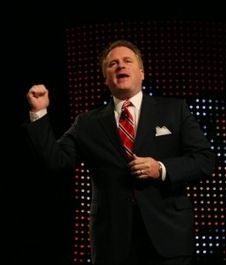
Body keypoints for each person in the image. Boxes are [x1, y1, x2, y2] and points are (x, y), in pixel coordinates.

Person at [24, 40, 215, 265]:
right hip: (111, 240)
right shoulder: (87, 123)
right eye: (113, 64)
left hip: (169, 237)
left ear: (142, 72)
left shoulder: (175, 110)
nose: (120, 66)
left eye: (127, 61)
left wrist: (161, 168)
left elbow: (204, 160)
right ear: (106, 78)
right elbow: (55, 160)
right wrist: (39, 112)